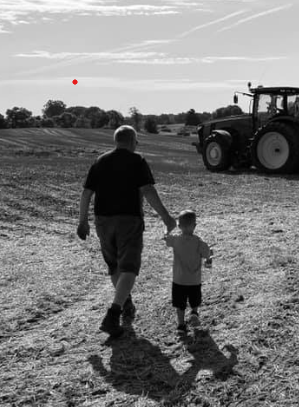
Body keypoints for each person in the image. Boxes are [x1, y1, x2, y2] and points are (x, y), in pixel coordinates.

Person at [77, 125, 177, 337]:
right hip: (128, 220)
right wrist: (167, 218)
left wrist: (82, 221)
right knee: (129, 267)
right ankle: (113, 314)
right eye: (136, 142)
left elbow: (86, 193)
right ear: (132, 141)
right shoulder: (137, 160)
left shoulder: (100, 161)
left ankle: (125, 301)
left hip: (102, 221)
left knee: (114, 265)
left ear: (117, 141)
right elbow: (148, 191)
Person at [163, 210, 213, 335]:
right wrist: (209, 255)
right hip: (194, 280)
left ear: (179, 226)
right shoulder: (199, 242)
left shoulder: (175, 240)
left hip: (179, 280)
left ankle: (181, 325)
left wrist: (166, 229)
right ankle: (194, 313)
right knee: (195, 299)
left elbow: (166, 238)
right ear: (194, 226)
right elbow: (207, 254)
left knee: (180, 304)